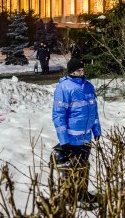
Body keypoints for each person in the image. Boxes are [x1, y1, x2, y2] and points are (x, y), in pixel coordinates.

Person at [51, 58, 101, 203]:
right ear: (72, 71)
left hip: (86, 137)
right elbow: (58, 115)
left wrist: (96, 130)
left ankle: (82, 194)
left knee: (84, 167)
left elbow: (94, 111)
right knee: (72, 168)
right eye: (78, 70)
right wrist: (64, 140)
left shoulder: (88, 87)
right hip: (72, 139)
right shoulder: (64, 88)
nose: (82, 72)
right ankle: (69, 196)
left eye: (82, 70)